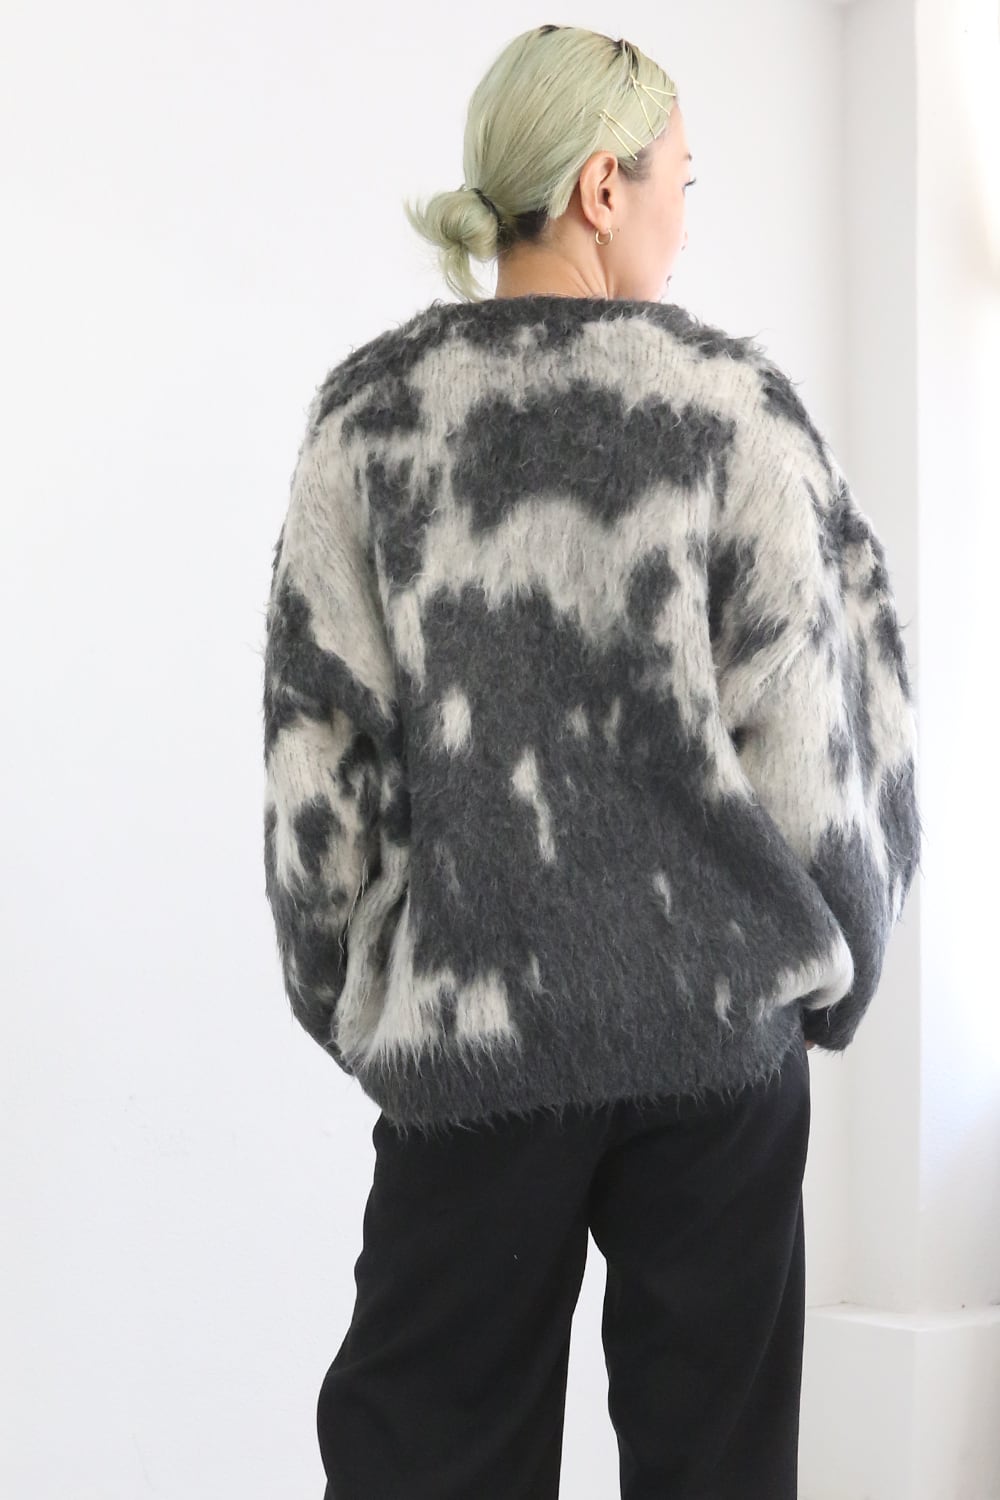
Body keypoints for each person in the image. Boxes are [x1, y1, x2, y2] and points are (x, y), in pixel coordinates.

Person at [261, 25, 922, 1500]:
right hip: (716, 1031)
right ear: (601, 189)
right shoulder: (730, 413)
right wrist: (832, 964)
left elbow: (320, 752)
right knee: (715, 1471)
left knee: (423, 1457)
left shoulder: (371, 421)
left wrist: (362, 993)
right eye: (680, 178)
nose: (687, 216)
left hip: (473, 1031)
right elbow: (827, 728)